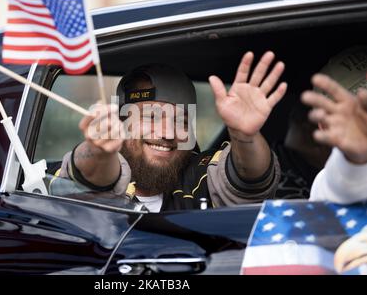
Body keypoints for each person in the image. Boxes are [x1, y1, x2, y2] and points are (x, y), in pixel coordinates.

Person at [58, 51, 287, 212]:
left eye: (182, 120)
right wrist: (100, 151)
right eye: (150, 116)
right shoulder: (97, 168)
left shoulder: (204, 174)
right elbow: (90, 179)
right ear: (120, 121)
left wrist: (244, 136)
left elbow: (252, 179)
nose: (168, 132)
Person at [301, 45, 367, 204]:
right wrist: (355, 161)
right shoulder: (328, 183)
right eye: (357, 111)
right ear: (325, 126)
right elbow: (339, 189)